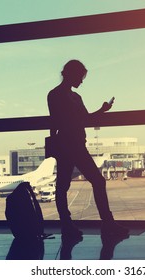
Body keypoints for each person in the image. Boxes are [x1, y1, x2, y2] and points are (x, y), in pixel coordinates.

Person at [47, 59, 129, 237]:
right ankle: (106, 223)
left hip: (71, 144)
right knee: (95, 182)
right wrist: (100, 112)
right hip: (71, 145)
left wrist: (102, 110)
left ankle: (67, 226)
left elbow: (76, 120)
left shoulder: (57, 95)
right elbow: (77, 120)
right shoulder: (65, 96)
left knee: (63, 186)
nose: (82, 81)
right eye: (80, 76)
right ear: (72, 74)